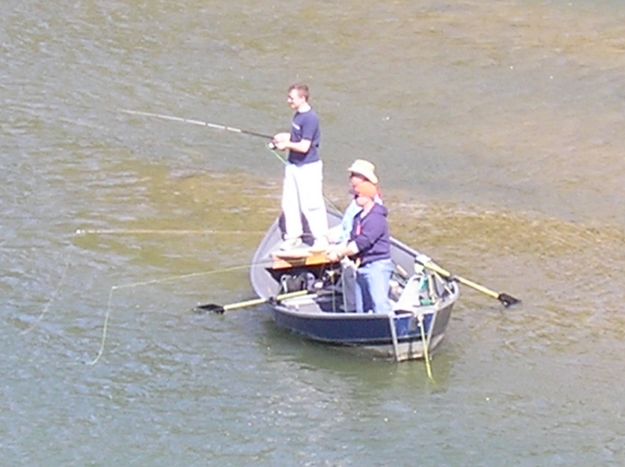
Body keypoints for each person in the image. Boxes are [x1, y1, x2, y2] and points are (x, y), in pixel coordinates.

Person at [272, 84, 328, 250]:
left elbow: (304, 146)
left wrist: (286, 145)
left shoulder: (310, 118)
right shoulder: (298, 115)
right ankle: (293, 237)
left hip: (308, 168)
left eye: (292, 98)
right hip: (293, 165)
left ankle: (321, 239)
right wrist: (284, 137)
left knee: (311, 204)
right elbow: (298, 137)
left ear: (302, 98)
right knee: (289, 203)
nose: (288, 101)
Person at [327, 181, 394, 314]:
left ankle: (388, 330)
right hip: (362, 266)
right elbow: (353, 240)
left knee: (380, 305)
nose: (354, 199)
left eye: (357, 196)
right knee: (362, 308)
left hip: (377, 266)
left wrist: (339, 253)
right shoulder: (357, 218)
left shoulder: (376, 219)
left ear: (367, 197)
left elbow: (361, 243)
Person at [327, 159, 382, 246]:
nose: (350, 178)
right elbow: (345, 226)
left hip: (352, 245)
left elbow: (356, 233)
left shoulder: (368, 202)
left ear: (363, 178)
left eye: (353, 175)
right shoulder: (357, 198)